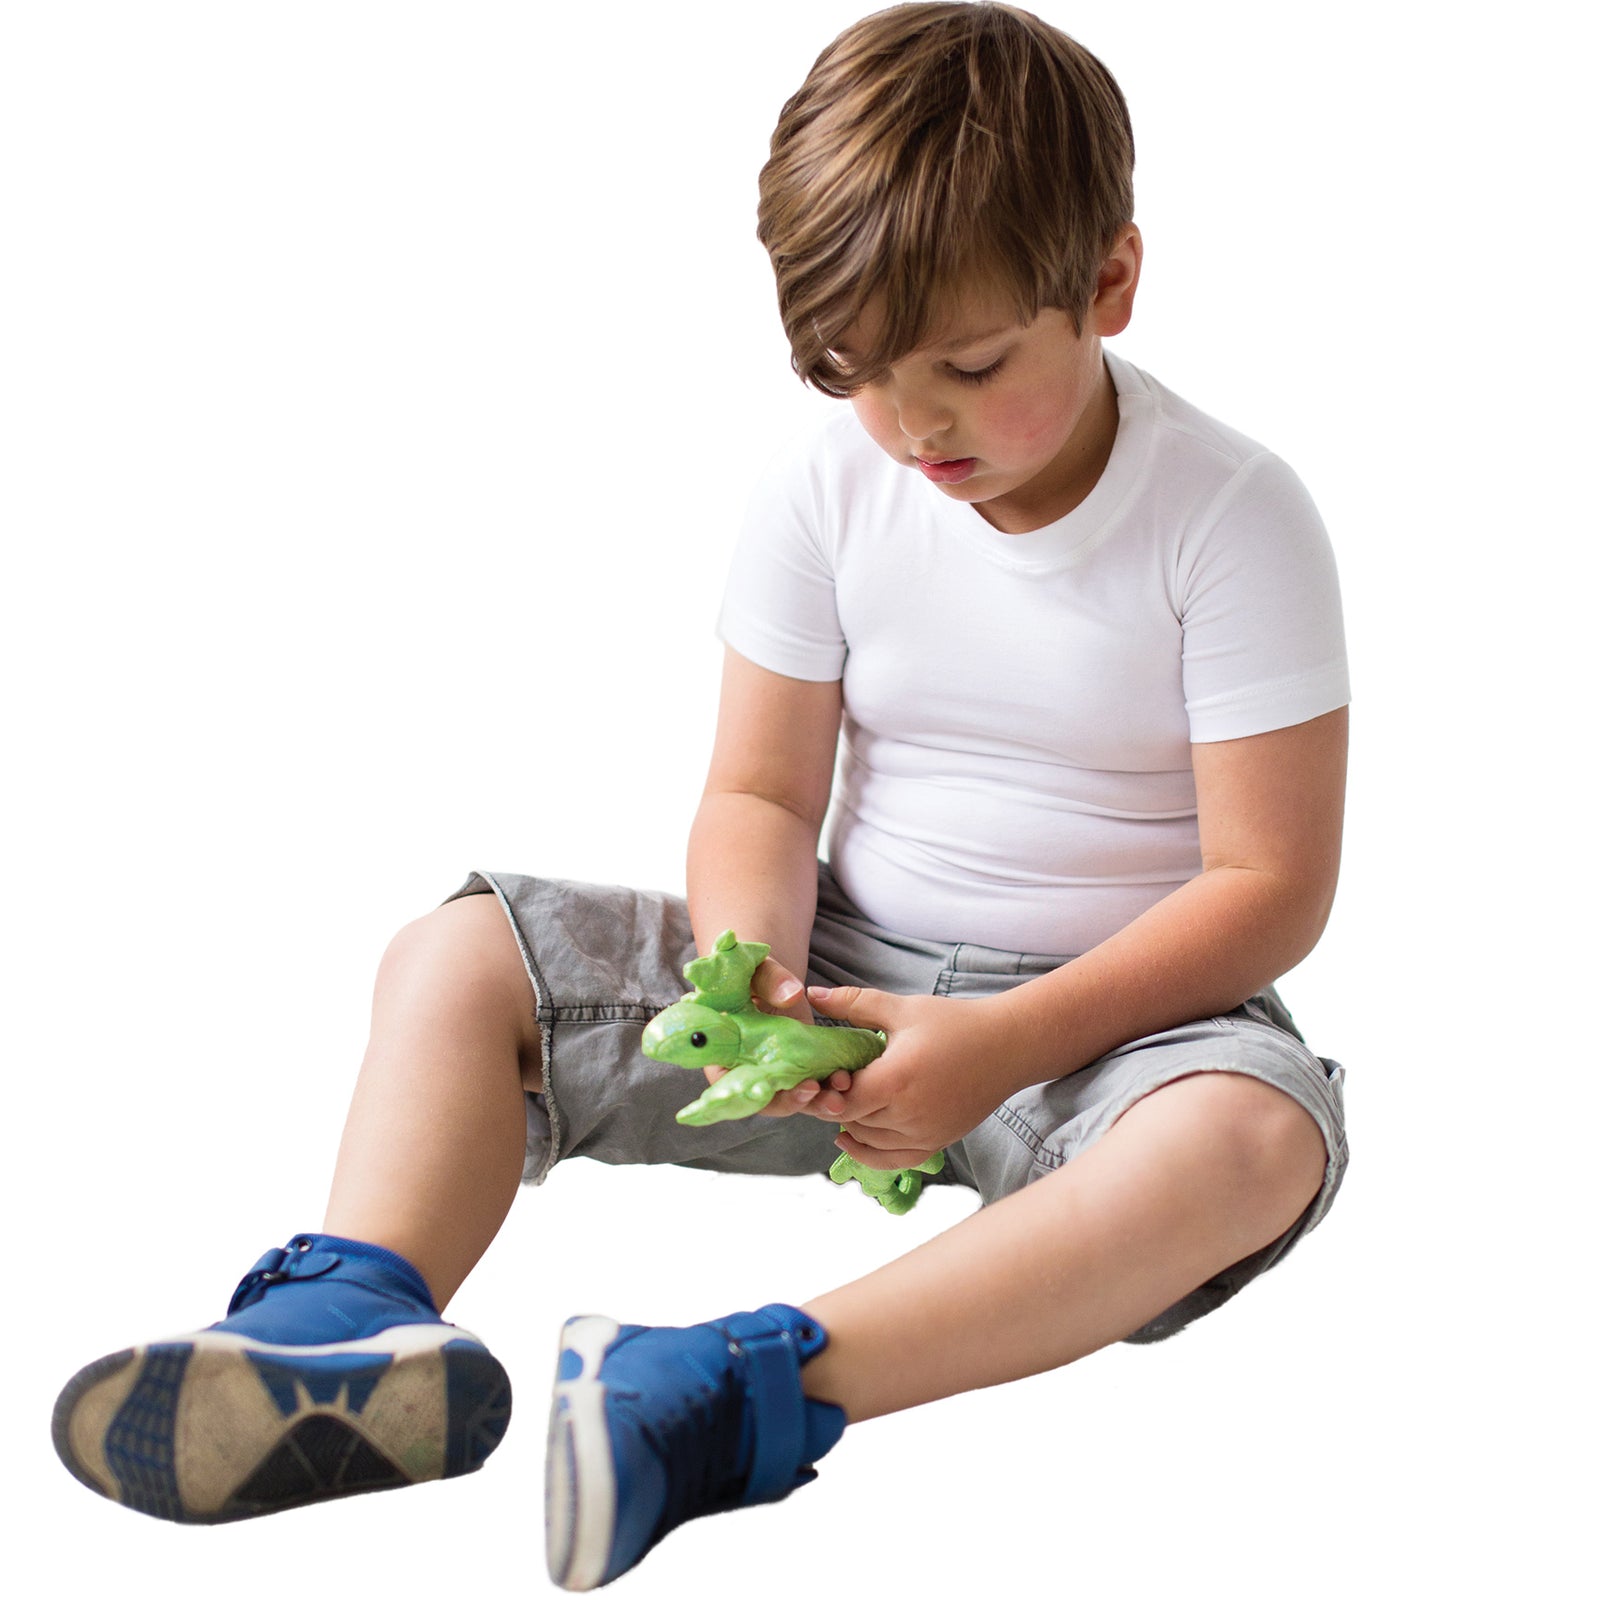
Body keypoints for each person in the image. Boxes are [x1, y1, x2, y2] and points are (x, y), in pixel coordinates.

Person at [51, 2, 1350, 1590]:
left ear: (1109, 286)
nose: (914, 425)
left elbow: (1269, 886)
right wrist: (755, 984)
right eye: (859, 374)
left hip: (1114, 1035)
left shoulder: (1233, 517)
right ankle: (349, 1316)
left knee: (1253, 1144)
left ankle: (730, 1387)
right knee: (457, 953)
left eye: (969, 366)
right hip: (841, 964)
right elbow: (756, 787)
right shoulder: (827, 481)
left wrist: (1005, 1044)